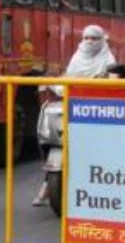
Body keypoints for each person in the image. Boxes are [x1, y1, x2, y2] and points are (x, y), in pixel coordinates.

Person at [33, 24, 116, 206]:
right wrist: (52, 84)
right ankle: (48, 184)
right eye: (86, 38)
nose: (89, 42)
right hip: (72, 106)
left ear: (102, 40)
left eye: (94, 38)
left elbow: (113, 82)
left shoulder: (108, 60)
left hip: (97, 110)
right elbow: (68, 76)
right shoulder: (77, 57)